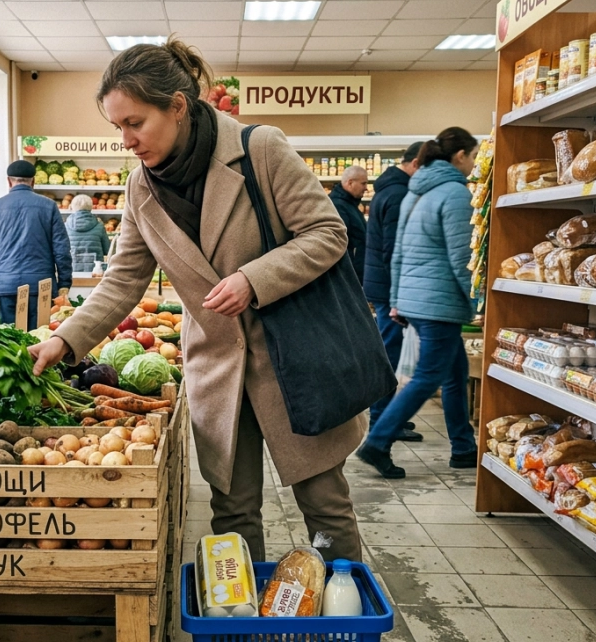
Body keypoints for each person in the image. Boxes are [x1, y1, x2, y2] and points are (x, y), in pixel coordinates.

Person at [27, 38, 363, 563]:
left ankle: (342, 628)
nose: (126, 140)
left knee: (324, 504)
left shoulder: (260, 150)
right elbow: (122, 281)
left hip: (294, 359)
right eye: (117, 127)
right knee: (232, 511)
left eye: (135, 123)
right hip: (216, 369)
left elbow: (327, 232)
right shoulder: (141, 188)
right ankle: (241, 624)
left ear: (178, 107)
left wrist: (255, 278)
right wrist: (64, 339)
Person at [355, 127, 480, 480]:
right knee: (428, 377)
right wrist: (476, 299)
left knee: (454, 374)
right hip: (439, 301)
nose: (472, 164)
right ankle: (378, 442)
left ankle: (463, 447)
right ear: (459, 157)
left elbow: (398, 253)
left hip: (415, 297)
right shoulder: (454, 193)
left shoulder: (414, 190)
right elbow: (461, 257)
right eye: (471, 156)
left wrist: (397, 299)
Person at [364, 142, 425, 442]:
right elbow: (394, 251)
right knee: (389, 355)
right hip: (390, 290)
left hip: (383, 287)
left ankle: (388, 417)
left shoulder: (388, 189)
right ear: (415, 164)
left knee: (391, 353)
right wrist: (401, 297)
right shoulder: (400, 195)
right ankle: (382, 422)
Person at [0, 160, 73, 325]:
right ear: (33, 181)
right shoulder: (49, 207)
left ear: (9, 181)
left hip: (7, 287)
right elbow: (61, 249)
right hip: (42, 286)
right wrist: (64, 284)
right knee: (40, 338)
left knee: (10, 340)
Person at [327, 166, 367, 282]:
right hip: (347, 275)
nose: (366, 188)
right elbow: (340, 242)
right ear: (350, 183)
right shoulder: (338, 206)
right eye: (363, 183)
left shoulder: (350, 205)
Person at [64, 194, 110, 273]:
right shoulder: (99, 225)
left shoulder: (66, 226)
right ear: (91, 207)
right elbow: (107, 250)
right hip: (96, 270)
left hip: (72, 269)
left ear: (72, 207)